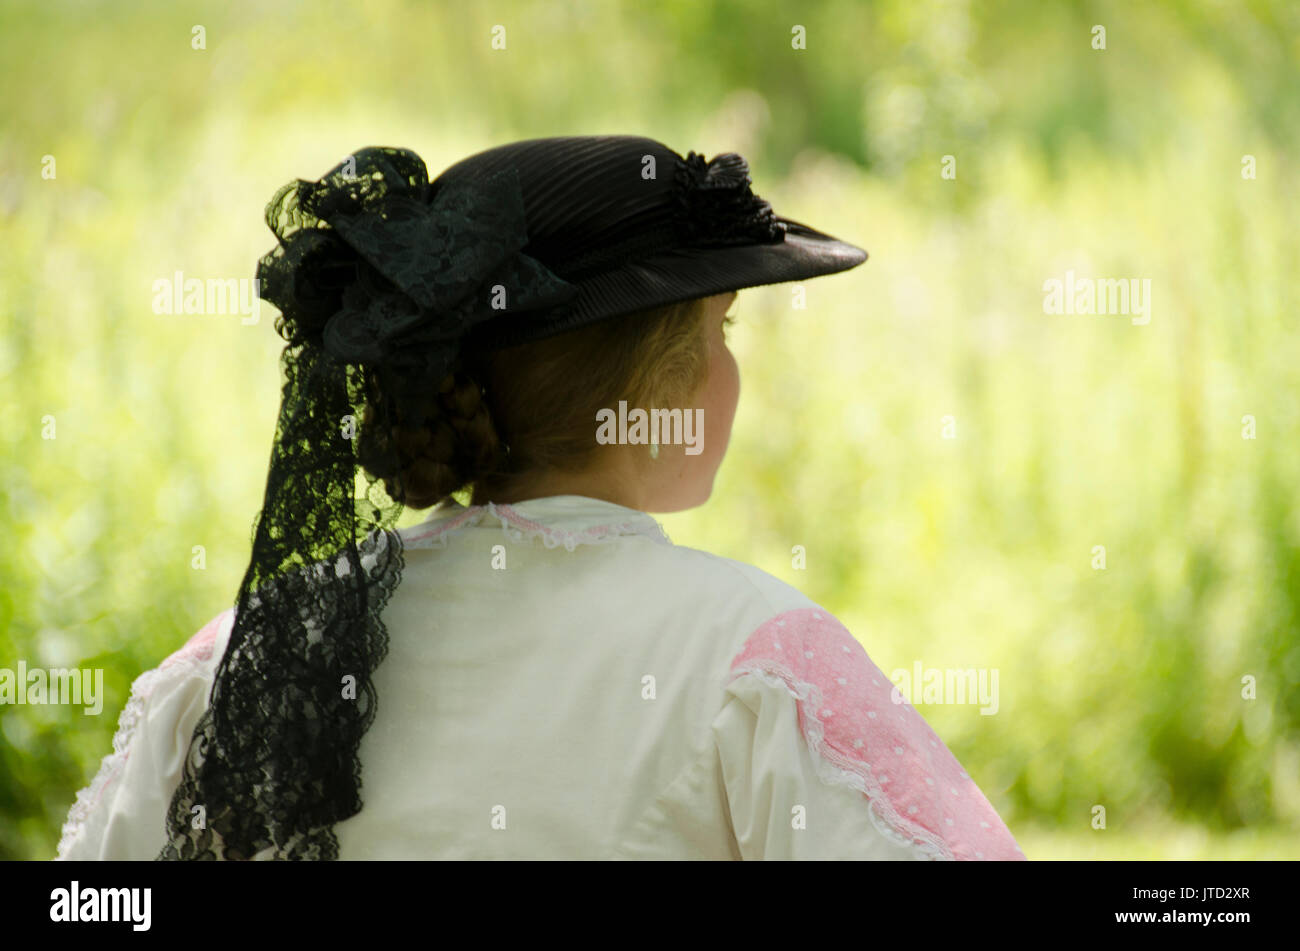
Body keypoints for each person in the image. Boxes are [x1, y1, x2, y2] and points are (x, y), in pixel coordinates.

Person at [55, 135, 1025, 860]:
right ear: (654, 380)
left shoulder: (253, 653)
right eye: (724, 330)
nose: (732, 370)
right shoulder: (755, 655)